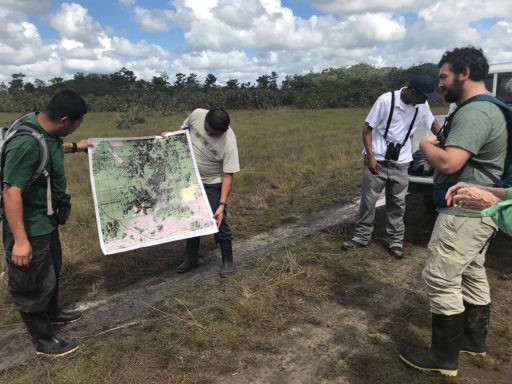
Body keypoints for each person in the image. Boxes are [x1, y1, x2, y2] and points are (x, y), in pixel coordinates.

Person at [399, 47, 508, 377]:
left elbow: (450, 162)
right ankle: (473, 339)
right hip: (482, 208)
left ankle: (443, 356)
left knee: (440, 276)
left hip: (464, 208)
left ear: (464, 73)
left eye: (444, 77)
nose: (440, 84)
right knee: (472, 270)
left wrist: (425, 145)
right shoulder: (496, 108)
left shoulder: (476, 113)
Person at [2, 90, 91, 357]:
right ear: (65, 120)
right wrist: (20, 240)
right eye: (78, 122)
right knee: (31, 284)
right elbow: (11, 192)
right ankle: (43, 341)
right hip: (29, 227)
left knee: (52, 270)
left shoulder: (44, 128)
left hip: (46, 222)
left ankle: (52, 313)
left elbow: (50, 148)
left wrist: (76, 147)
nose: (78, 127)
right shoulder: (26, 144)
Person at [342, 75, 441, 259]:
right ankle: (362, 237)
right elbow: (367, 129)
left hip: (401, 162)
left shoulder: (421, 105)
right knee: (368, 201)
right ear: (412, 93)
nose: (425, 101)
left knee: (397, 203)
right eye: (423, 97)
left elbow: (433, 124)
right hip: (377, 160)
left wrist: (447, 141)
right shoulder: (386, 101)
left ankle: (395, 241)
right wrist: (371, 157)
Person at [162, 108, 240, 276]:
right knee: (192, 217)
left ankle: (228, 260)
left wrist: (221, 205)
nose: (209, 134)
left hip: (213, 183)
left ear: (224, 130)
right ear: (205, 120)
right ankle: (191, 258)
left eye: (214, 134)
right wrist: (170, 136)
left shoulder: (229, 143)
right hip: (191, 180)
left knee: (217, 219)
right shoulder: (197, 114)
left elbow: (228, 176)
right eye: (207, 130)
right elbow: (184, 130)